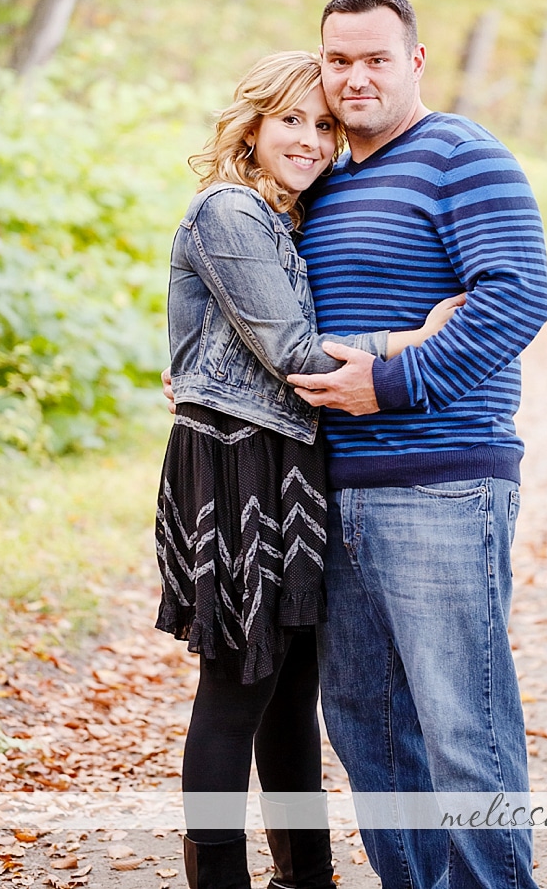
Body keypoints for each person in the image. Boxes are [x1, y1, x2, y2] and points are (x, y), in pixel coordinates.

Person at [155, 49, 464, 889]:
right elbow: (292, 351)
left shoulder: (285, 217)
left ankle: (306, 875)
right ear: (251, 124)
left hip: (286, 458)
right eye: (291, 119)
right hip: (233, 463)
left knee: (290, 688)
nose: (310, 138)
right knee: (236, 685)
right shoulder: (228, 211)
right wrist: (409, 339)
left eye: (323, 124)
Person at [284, 0, 547, 889]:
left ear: (416, 62)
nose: (354, 77)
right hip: (331, 489)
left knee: (460, 726)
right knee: (365, 723)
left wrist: (389, 382)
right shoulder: (319, 179)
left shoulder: (461, 156)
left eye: (375, 59)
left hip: (441, 482)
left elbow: (518, 296)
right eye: (339, 60)